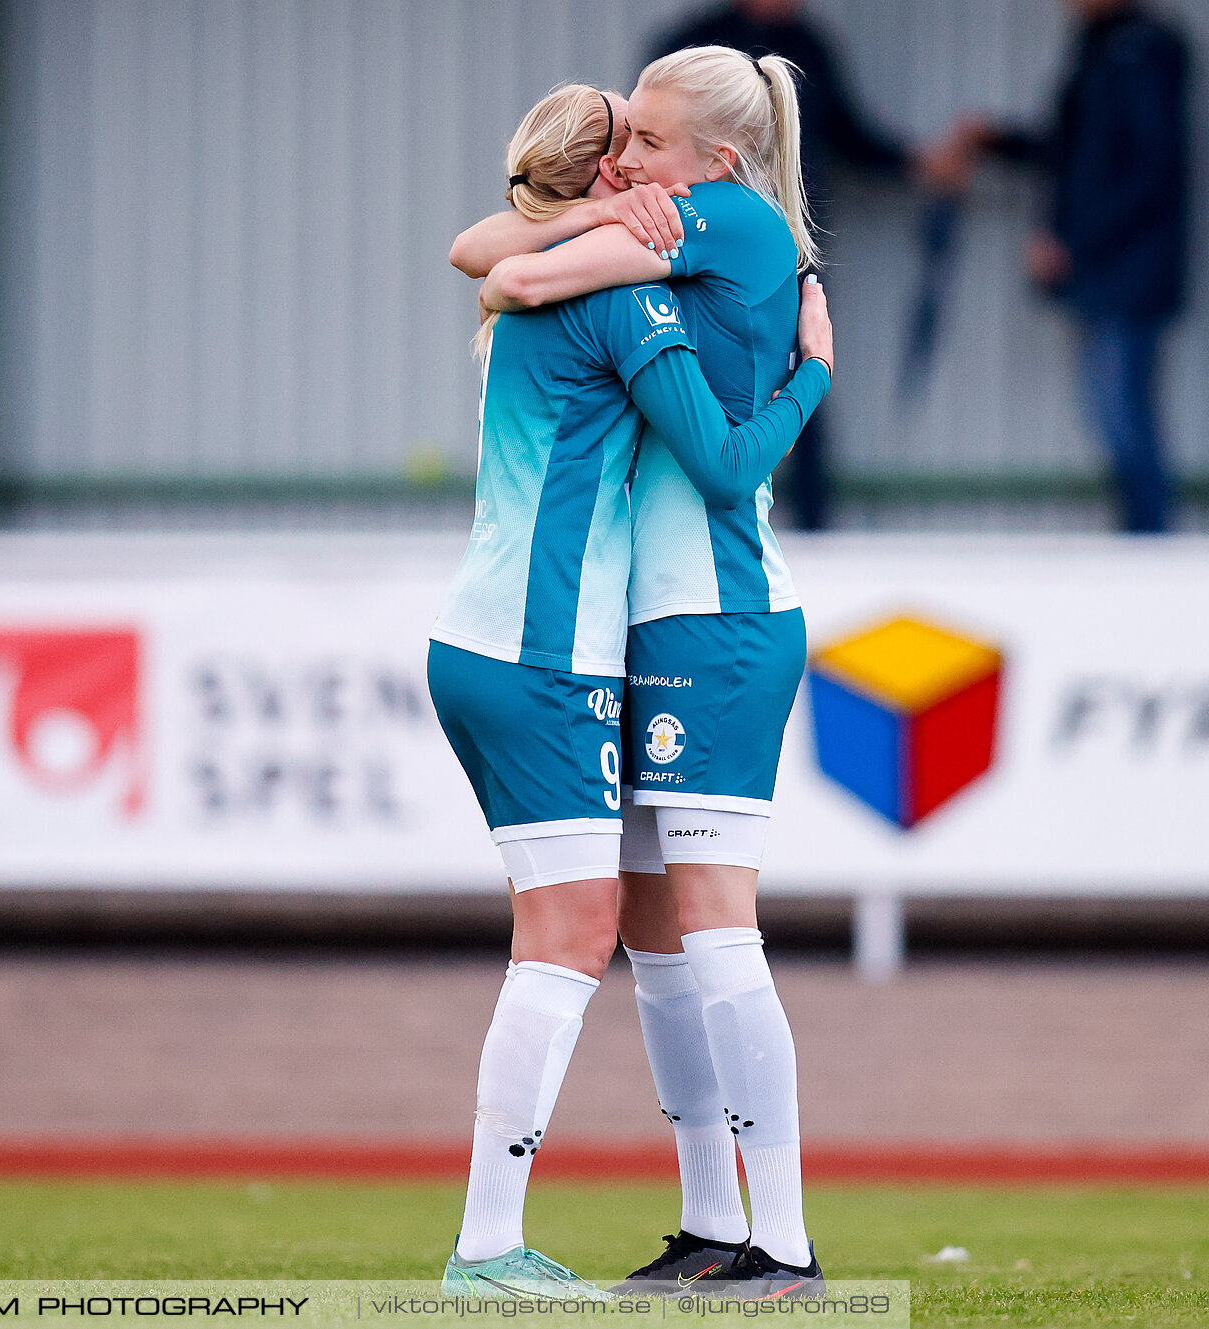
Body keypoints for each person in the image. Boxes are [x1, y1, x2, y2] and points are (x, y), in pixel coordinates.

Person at [433, 81, 832, 1299]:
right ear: (609, 179)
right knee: (628, 940)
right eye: (633, 146)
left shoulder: (727, 224)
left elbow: (489, 260)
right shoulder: (632, 284)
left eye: (663, 141)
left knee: (684, 937)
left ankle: (767, 1241)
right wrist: (812, 369)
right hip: (579, 644)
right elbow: (503, 269)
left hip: (691, 628)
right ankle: (572, 1241)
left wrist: (543, 235)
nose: (656, 171)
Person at [644, 0, 924, 532]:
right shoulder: (697, 39)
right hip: (696, 241)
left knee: (788, 374)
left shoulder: (810, 44)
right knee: (702, 376)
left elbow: (848, 133)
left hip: (776, 249)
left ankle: (808, 522)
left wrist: (916, 163)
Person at [937, 0, 1189, 533]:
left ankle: (1153, 548)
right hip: (1109, 272)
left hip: (1133, 272)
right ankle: (1143, 537)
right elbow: (1072, 150)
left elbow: (1151, 168)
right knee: (1113, 412)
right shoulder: (1100, 50)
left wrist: (1075, 241)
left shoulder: (1142, 53)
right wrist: (997, 141)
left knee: (1124, 412)